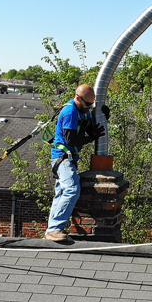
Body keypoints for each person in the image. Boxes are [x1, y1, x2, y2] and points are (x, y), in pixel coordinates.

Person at [44, 84, 105, 242]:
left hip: (68, 158)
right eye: (87, 104)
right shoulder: (70, 111)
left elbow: (91, 129)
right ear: (78, 98)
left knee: (61, 194)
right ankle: (55, 229)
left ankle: (52, 230)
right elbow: (72, 139)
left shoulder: (82, 111)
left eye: (92, 104)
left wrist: (103, 117)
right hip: (62, 157)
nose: (89, 107)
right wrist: (91, 137)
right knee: (72, 188)